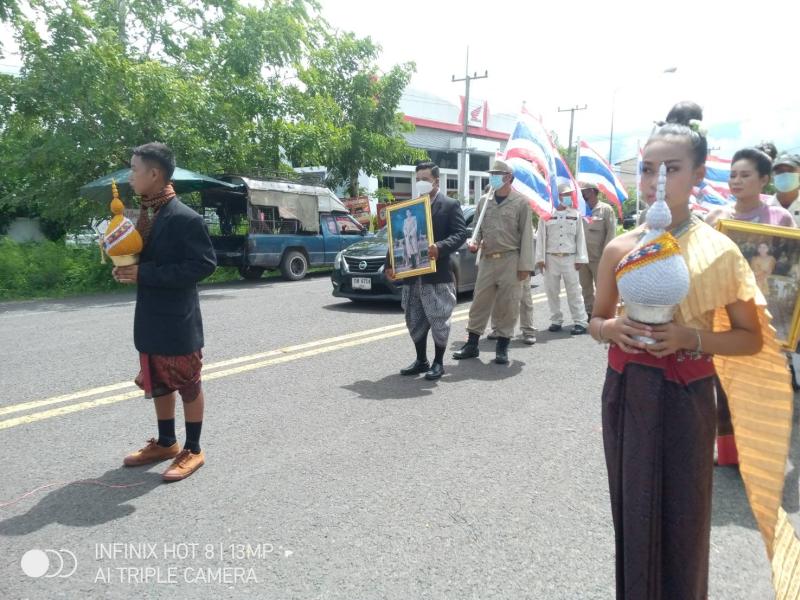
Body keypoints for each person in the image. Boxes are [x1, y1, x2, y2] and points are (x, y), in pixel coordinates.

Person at [590, 105, 791, 598]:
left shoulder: (719, 251)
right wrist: (611, 327)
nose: (656, 179)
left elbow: (751, 338)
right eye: (647, 168)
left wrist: (690, 339)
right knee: (633, 511)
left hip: (687, 395)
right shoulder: (620, 247)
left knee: (685, 517)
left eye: (672, 168)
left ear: (699, 175)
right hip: (627, 391)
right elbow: (596, 320)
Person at [115, 142, 217, 482]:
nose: (130, 177)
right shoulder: (141, 216)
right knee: (158, 381)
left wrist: (145, 273)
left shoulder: (185, 218)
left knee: (188, 384)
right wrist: (124, 265)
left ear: (155, 174)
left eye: (134, 170)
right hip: (150, 317)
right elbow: (144, 259)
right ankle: (166, 442)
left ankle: (194, 448)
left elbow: (204, 265)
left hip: (177, 320)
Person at [385, 161, 466, 381]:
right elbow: (395, 238)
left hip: (437, 275)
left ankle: (439, 363)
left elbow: (460, 234)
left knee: (439, 319)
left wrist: (439, 247)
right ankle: (421, 360)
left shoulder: (449, 205)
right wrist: (389, 264)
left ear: (436, 181)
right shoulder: (410, 207)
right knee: (414, 318)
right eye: (418, 179)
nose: (421, 183)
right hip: (412, 275)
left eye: (425, 179)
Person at [453, 159, 535, 364]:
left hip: (510, 259)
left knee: (509, 304)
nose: (493, 178)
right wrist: (474, 242)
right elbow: (477, 228)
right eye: (492, 174)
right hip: (488, 259)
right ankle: (472, 344)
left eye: (497, 175)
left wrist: (525, 266)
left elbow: (527, 235)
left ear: (508, 177)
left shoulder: (521, 202)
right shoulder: (484, 201)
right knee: (479, 302)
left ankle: (502, 347)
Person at [535, 183, 589, 335]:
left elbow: (580, 238)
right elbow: (540, 237)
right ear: (557, 196)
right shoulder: (546, 214)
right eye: (565, 195)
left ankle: (580, 321)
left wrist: (580, 258)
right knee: (552, 291)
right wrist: (540, 259)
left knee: (574, 291)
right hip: (551, 257)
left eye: (569, 195)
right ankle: (556, 320)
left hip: (570, 258)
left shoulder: (575, 214)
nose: (568, 197)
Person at [705, 147, 796, 228]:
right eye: (733, 176)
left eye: (745, 175)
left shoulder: (781, 218)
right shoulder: (715, 216)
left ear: (764, 180)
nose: (736, 181)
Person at [578, 181, 617, 316]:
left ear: (592, 191)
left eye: (584, 191)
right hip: (582, 257)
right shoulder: (580, 210)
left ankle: (604, 312)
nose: (582, 194)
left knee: (602, 287)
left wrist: (607, 256)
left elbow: (611, 233)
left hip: (599, 258)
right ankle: (589, 312)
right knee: (585, 287)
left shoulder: (605, 209)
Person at [772, 153, 800, 226]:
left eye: (790, 170)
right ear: (773, 176)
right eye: (780, 171)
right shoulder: (763, 207)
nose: (785, 175)